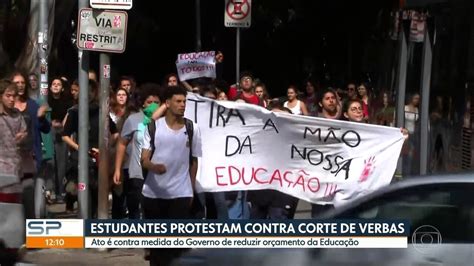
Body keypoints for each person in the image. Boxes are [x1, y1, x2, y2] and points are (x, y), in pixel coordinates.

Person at [141, 86, 202, 265]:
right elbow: (143, 159)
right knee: (158, 249)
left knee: (176, 247)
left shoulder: (192, 128)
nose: (182, 105)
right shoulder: (153, 128)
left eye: (184, 101)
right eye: (178, 101)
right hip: (154, 195)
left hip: (180, 195)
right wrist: (153, 166)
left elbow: (194, 161)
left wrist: (191, 189)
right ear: (167, 103)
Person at [62, 79, 118, 216]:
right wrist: (78, 148)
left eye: (91, 90)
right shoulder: (75, 112)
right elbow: (64, 135)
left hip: (98, 158)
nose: (88, 93)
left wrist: (104, 148)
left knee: (96, 196)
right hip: (80, 159)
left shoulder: (101, 111)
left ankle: (93, 227)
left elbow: (115, 133)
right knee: (82, 193)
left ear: (95, 92)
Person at [113, 83, 165, 220]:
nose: (153, 105)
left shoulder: (167, 121)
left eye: (156, 102)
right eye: (149, 102)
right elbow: (122, 144)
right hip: (136, 171)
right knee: (135, 207)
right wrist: (118, 169)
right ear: (143, 104)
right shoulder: (133, 119)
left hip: (159, 171)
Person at [11, 71, 50, 219]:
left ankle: (30, 236)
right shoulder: (6, 106)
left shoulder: (33, 105)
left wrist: (41, 118)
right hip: (10, 160)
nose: (20, 86)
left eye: (22, 83)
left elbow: (45, 129)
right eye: (17, 83)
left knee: (30, 200)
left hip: (31, 159)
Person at [0, 79, 27, 264]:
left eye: (14, 96)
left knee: (13, 216)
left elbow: (26, 136)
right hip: (1, 172)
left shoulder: (18, 116)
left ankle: (10, 252)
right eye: (7, 96)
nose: (11, 99)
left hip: (15, 172)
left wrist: (23, 137)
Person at [48, 78, 74, 203]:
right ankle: (51, 191)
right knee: (51, 162)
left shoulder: (67, 102)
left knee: (61, 163)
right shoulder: (46, 100)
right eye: (54, 84)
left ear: (62, 88)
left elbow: (68, 116)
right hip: (49, 131)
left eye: (59, 84)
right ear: (50, 87)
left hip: (62, 132)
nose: (56, 86)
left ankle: (60, 193)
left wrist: (63, 126)